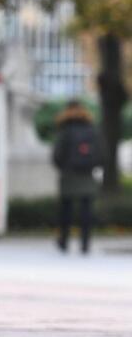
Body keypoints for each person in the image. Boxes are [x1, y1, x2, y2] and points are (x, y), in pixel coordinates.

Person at [51, 100, 103, 254]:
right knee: (86, 210)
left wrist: (63, 167)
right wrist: (92, 166)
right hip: (87, 174)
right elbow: (101, 153)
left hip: (69, 174)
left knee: (66, 209)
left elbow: (57, 155)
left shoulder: (65, 129)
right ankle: (85, 243)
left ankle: (64, 241)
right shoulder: (92, 130)